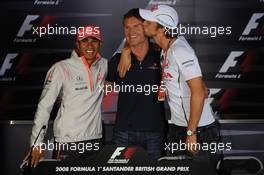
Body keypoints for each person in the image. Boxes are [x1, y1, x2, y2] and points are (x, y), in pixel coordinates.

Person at [23, 25, 108, 168]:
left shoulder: (105, 65)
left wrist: (125, 50)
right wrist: (36, 144)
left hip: (95, 140)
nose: (89, 45)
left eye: (94, 41)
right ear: (77, 44)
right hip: (68, 142)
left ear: (100, 44)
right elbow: (44, 107)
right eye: (84, 41)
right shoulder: (61, 68)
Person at [106, 8, 166, 160]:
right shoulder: (117, 59)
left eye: (136, 26)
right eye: (127, 27)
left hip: (154, 131)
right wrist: (125, 51)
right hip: (123, 132)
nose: (131, 31)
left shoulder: (162, 55)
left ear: (145, 27)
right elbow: (100, 88)